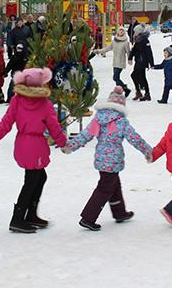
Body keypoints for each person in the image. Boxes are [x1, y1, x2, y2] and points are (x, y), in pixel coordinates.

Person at [0, 68, 67, 234]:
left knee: (39, 177)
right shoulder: (44, 103)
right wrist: (63, 143)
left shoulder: (17, 100)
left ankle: (30, 215)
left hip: (23, 143)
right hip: (35, 145)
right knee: (32, 181)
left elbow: (6, 122)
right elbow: (54, 126)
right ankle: (18, 218)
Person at [62, 87, 152, 231]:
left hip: (101, 158)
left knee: (113, 184)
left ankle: (119, 212)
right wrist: (147, 151)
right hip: (113, 160)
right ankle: (88, 218)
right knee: (104, 188)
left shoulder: (98, 118)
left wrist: (71, 146)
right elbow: (134, 138)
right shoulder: (121, 121)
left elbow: (86, 135)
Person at [96, 27, 132, 96]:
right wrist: (99, 51)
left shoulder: (125, 42)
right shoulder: (114, 41)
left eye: (122, 31)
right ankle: (119, 91)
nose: (121, 32)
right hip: (115, 62)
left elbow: (128, 52)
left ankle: (126, 89)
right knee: (116, 78)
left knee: (115, 77)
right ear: (117, 32)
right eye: (120, 31)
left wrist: (129, 59)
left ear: (124, 32)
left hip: (121, 62)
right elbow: (107, 48)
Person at [129, 26, 154, 101]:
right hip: (138, 60)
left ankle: (141, 92)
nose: (134, 33)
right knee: (142, 77)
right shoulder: (137, 39)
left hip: (142, 61)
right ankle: (145, 93)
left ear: (139, 32)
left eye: (135, 31)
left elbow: (149, 52)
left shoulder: (145, 40)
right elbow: (134, 49)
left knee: (134, 75)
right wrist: (130, 58)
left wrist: (151, 63)